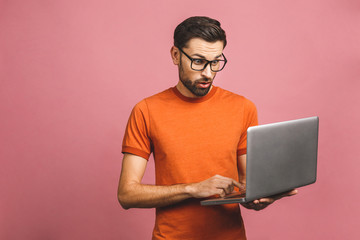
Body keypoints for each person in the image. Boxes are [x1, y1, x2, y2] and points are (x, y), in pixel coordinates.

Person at [118, 16, 297, 240]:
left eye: (215, 62)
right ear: (175, 55)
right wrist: (192, 188)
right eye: (198, 61)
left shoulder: (243, 108)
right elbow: (127, 194)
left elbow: (244, 186)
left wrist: (259, 197)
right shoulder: (145, 110)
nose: (208, 73)